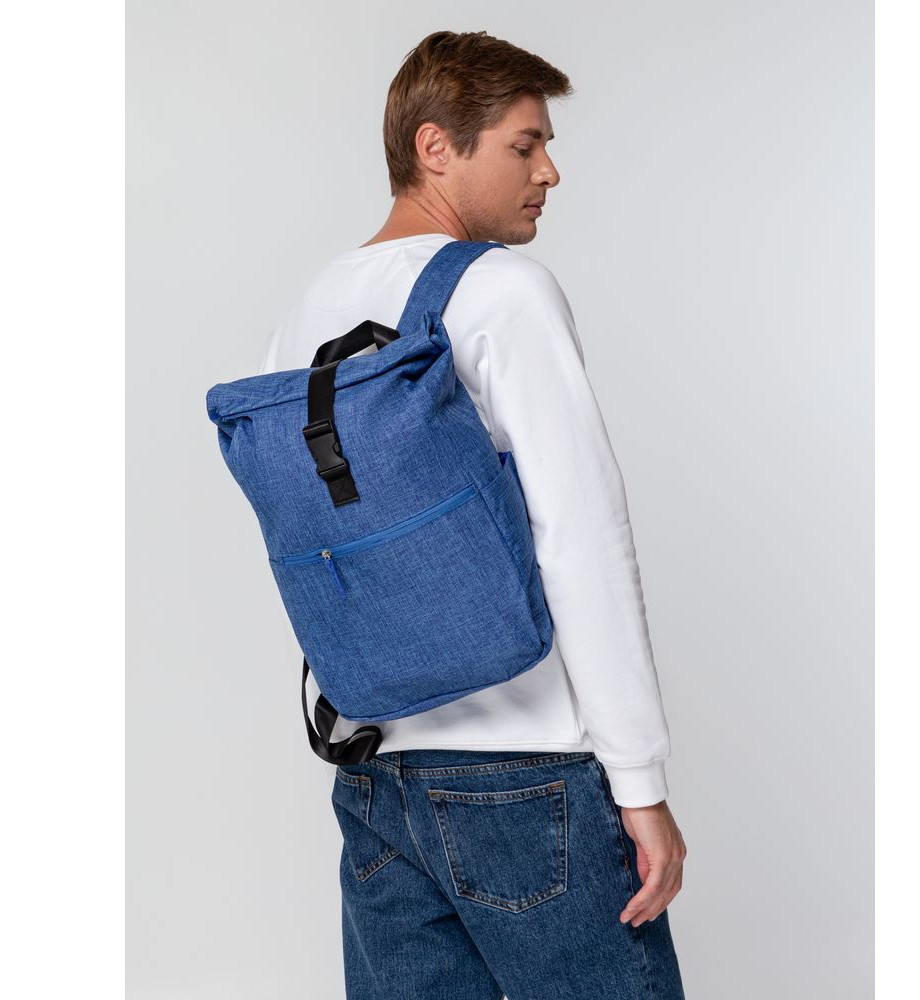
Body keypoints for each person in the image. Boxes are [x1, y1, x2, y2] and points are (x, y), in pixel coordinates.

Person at [258, 29, 687, 1000]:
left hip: (375, 774)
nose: (549, 172)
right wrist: (640, 782)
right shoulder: (502, 292)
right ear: (435, 147)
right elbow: (581, 538)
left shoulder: (306, 311)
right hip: (526, 772)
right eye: (524, 145)